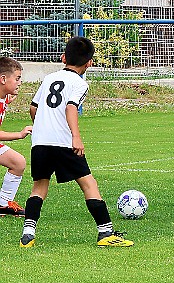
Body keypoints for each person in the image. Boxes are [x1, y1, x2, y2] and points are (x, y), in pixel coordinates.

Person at [20, 36, 133, 248]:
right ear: (89, 62)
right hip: (64, 143)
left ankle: (28, 234)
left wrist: (43, 127)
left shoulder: (48, 78)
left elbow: (33, 107)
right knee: (89, 184)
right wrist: (76, 136)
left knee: (39, 186)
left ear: (64, 58)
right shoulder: (80, 83)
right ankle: (106, 233)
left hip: (40, 142)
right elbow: (71, 107)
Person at [0, 57, 32, 217]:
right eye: (17, 78)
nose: (20, 82)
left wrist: (7, 101)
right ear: (3, 79)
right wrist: (19, 134)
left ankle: (4, 204)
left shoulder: (3, 96)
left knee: (18, 162)